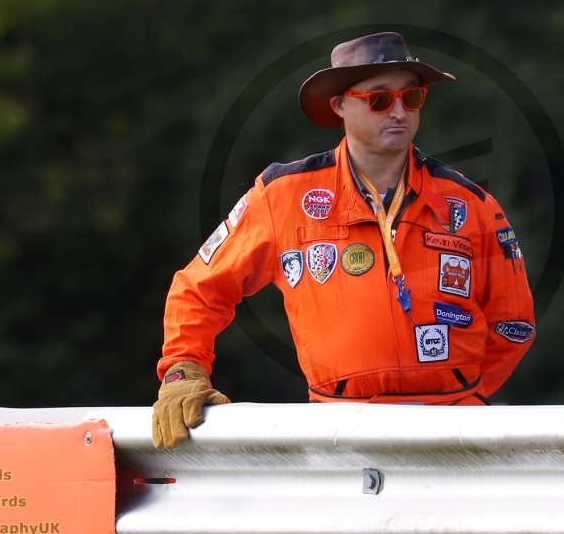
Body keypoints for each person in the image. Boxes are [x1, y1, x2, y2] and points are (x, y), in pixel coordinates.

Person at [152, 32, 535, 449]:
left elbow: (513, 324)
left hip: (455, 426)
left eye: (412, 98)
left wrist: (467, 397)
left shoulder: (471, 204)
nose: (399, 112)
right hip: (338, 430)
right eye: (379, 99)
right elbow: (199, 288)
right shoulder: (283, 194)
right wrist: (183, 369)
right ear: (339, 105)